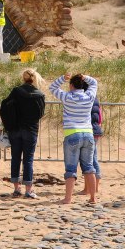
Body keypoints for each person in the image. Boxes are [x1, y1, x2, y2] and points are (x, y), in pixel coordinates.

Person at [49, 72, 99, 204]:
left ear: (71, 85)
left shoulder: (67, 97)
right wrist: (86, 77)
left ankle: (68, 198)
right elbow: (94, 83)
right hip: (88, 133)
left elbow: (52, 88)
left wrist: (62, 78)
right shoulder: (89, 96)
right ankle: (93, 198)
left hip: (72, 133)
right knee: (89, 167)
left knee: (71, 168)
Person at [2, 68, 47, 199]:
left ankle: (16, 188)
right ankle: (29, 189)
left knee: (15, 158)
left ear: (23, 78)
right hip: (30, 129)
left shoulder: (16, 91)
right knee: (28, 160)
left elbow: (5, 106)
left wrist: (9, 123)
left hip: (15, 129)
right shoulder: (39, 95)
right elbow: (40, 114)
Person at [78, 97, 103, 195]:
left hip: (89, 130)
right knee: (93, 158)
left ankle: (88, 188)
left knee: (89, 160)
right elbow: (99, 117)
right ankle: (94, 187)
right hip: (95, 129)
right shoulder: (95, 98)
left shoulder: (84, 98)